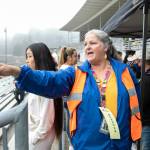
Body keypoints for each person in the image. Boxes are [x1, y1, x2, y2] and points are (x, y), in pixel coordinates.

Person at [0, 30, 142, 150]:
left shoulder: (125, 72)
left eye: (92, 43)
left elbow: (137, 102)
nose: (87, 47)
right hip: (86, 145)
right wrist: (17, 72)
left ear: (105, 47)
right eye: (85, 44)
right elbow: (50, 80)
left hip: (121, 144)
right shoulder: (75, 73)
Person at [25, 43, 63, 150]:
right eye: (26, 57)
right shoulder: (39, 80)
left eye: (30, 56)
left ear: (39, 57)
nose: (27, 60)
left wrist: (34, 138)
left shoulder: (45, 83)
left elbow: (47, 119)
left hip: (40, 137)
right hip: (37, 133)